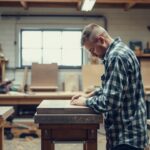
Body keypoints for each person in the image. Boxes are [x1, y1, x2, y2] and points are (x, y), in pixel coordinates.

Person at [71, 23, 149, 150]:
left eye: (92, 50)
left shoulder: (116, 57)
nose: (92, 55)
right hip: (128, 134)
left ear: (101, 40)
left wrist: (85, 102)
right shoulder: (122, 50)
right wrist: (91, 94)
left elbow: (110, 102)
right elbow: (116, 87)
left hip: (126, 137)